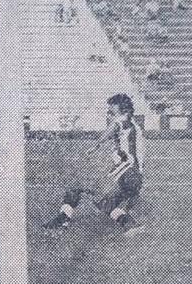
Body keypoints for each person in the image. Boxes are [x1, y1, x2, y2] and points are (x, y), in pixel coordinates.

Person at [43, 94, 144, 232]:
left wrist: (95, 145)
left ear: (122, 107)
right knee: (104, 203)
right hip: (133, 176)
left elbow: (115, 127)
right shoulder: (133, 124)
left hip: (127, 171)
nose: (109, 110)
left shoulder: (123, 120)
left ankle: (63, 219)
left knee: (79, 185)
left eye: (112, 106)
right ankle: (131, 225)